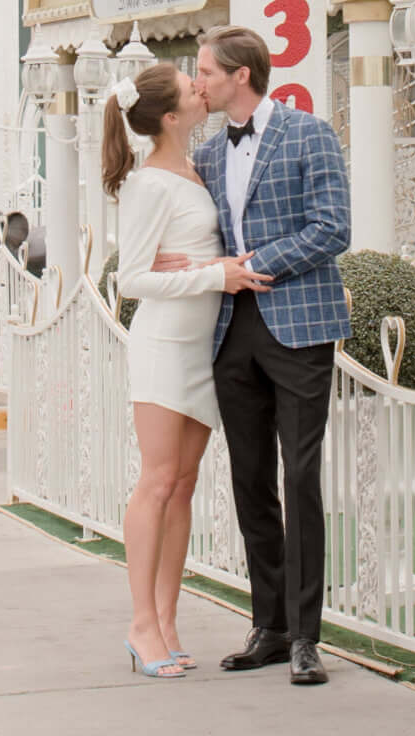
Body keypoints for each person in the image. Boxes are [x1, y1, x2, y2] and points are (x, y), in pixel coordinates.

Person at [186, 26, 352, 689]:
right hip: (232, 331)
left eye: (205, 71)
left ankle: (310, 637)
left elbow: (333, 227)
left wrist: (259, 264)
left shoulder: (310, 134)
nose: (198, 81)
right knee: (250, 481)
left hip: (299, 325)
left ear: (241, 76)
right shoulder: (202, 154)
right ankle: (270, 628)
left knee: (300, 477)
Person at [106, 60, 261, 677]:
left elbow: (194, 252)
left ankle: (168, 619)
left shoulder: (194, 170)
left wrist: (215, 266)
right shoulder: (149, 184)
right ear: (171, 116)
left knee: (185, 483)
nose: (202, 87)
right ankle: (142, 623)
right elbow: (133, 277)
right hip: (165, 345)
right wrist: (213, 274)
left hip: (204, 345)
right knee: (158, 481)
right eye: (189, 85)